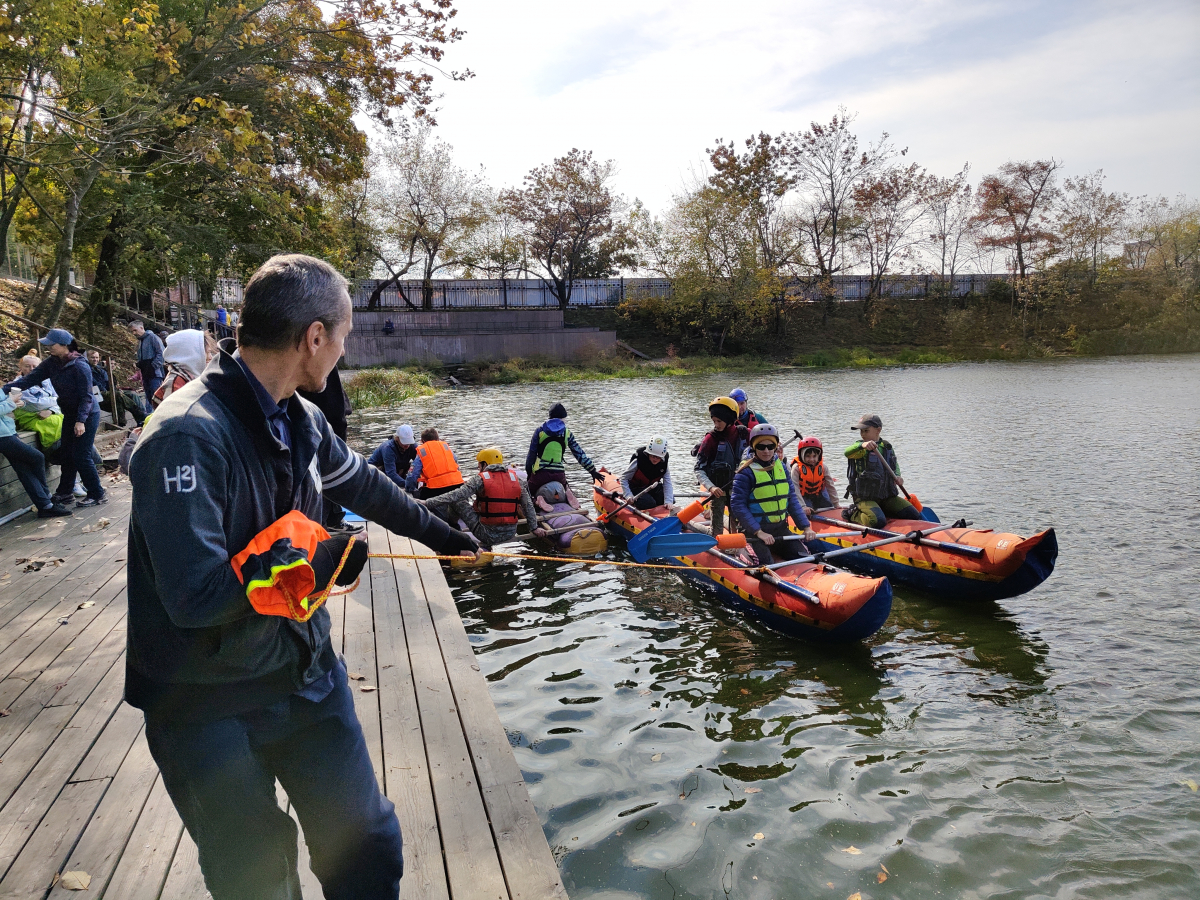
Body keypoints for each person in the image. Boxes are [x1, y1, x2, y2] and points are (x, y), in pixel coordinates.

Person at [124, 253, 479, 900]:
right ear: (314, 336)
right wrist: (315, 566)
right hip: (203, 700)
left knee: (366, 841)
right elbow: (193, 598)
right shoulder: (184, 437)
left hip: (305, 672)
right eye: (344, 336)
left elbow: (365, 486)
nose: (344, 350)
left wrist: (443, 537)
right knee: (256, 873)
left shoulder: (301, 417)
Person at [5, 329, 106, 507]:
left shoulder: (80, 366)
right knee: (67, 453)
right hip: (68, 413)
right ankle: (65, 493)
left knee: (81, 455)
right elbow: (28, 380)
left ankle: (97, 493)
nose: (48, 347)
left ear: (65, 345)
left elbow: (87, 397)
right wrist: (3, 391)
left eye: (52, 344)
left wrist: (81, 421)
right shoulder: (51, 363)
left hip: (87, 414)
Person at [425, 448, 545, 549]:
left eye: (479, 465)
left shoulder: (480, 479)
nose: (479, 469)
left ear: (485, 464)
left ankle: (454, 530)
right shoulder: (516, 480)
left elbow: (456, 495)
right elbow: (528, 505)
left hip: (486, 534)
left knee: (457, 501)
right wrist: (534, 527)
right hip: (510, 533)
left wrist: (427, 502)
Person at [730, 423, 815, 566]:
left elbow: (791, 499)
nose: (766, 451)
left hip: (780, 529)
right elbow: (738, 505)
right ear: (754, 447)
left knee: (803, 557)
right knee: (763, 564)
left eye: (770, 446)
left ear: (775, 447)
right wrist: (758, 532)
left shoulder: (781, 467)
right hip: (754, 533)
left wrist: (805, 526)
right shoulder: (745, 472)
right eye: (761, 447)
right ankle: (742, 550)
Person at [298, 365, 356, 533]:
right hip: (324, 430)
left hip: (324, 427)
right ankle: (329, 521)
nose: (343, 352)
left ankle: (331, 519)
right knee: (325, 475)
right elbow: (334, 410)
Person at [0, 387, 72, 518]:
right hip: (2, 435)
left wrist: (18, 403)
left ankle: (45, 506)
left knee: (23, 469)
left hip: (8, 430)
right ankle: (47, 497)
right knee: (37, 457)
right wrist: (10, 402)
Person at [844, 414, 920, 528]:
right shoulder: (861, 448)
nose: (863, 434)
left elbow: (894, 465)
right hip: (865, 497)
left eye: (866, 431)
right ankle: (853, 514)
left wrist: (898, 476)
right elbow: (847, 452)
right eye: (861, 431)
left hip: (887, 496)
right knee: (877, 522)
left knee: (913, 514)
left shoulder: (887, 446)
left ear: (878, 430)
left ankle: (883, 510)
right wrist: (863, 445)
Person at [693, 397, 749, 535]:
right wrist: (711, 487)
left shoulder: (744, 434)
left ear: (729, 419)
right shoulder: (710, 439)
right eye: (714, 421)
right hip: (718, 491)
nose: (716, 425)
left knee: (739, 528)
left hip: (738, 490)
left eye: (719, 421)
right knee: (716, 533)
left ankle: (733, 532)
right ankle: (689, 523)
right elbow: (699, 469)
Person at [524, 401, 600, 495]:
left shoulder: (539, 431)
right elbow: (579, 453)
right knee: (566, 490)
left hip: (540, 474)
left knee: (527, 492)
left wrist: (529, 475)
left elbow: (531, 456)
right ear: (563, 418)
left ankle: (535, 500)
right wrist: (592, 471)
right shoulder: (567, 433)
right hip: (559, 475)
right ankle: (569, 496)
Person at [404, 427, 464, 501]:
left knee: (419, 494)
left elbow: (413, 475)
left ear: (423, 441)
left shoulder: (423, 451)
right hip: (457, 485)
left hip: (436, 489)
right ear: (438, 439)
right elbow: (456, 465)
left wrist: (408, 489)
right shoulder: (446, 448)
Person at [152, 329, 208, 407]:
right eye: (207, 352)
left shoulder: (192, 376)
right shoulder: (176, 382)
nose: (210, 357)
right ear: (191, 354)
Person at [619, 436, 675, 510]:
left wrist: (668, 501)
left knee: (671, 499)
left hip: (652, 487)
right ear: (648, 453)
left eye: (658, 457)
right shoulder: (639, 461)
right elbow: (624, 479)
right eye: (653, 456)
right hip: (636, 488)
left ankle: (661, 510)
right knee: (649, 503)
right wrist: (628, 495)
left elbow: (667, 483)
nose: (655, 459)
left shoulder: (664, 464)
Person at [789, 436, 839, 513]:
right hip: (803, 496)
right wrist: (803, 506)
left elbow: (830, 485)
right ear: (802, 455)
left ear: (819, 455)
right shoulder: (796, 468)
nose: (812, 459)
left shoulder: (823, 467)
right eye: (808, 456)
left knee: (830, 506)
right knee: (808, 510)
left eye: (814, 456)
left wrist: (836, 504)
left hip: (818, 494)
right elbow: (794, 488)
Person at [368, 423, 417, 489]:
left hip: (397, 468)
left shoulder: (412, 446)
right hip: (374, 473)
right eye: (404, 443)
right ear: (397, 438)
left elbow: (420, 462)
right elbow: (391, 473)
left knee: (413, 467)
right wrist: (407, 484)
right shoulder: (388, 448)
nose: (407, 446)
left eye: (409, 442)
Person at [129, 319, 165, 408]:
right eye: (132, 331)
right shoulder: (140, 341)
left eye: (135, 330)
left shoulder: (152, 337)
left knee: (157, 398)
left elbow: (162, 353)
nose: (134, 333)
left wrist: (153, 366)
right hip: (145, 374)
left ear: (141, 328)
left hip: (155, 374)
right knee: (149, 399)